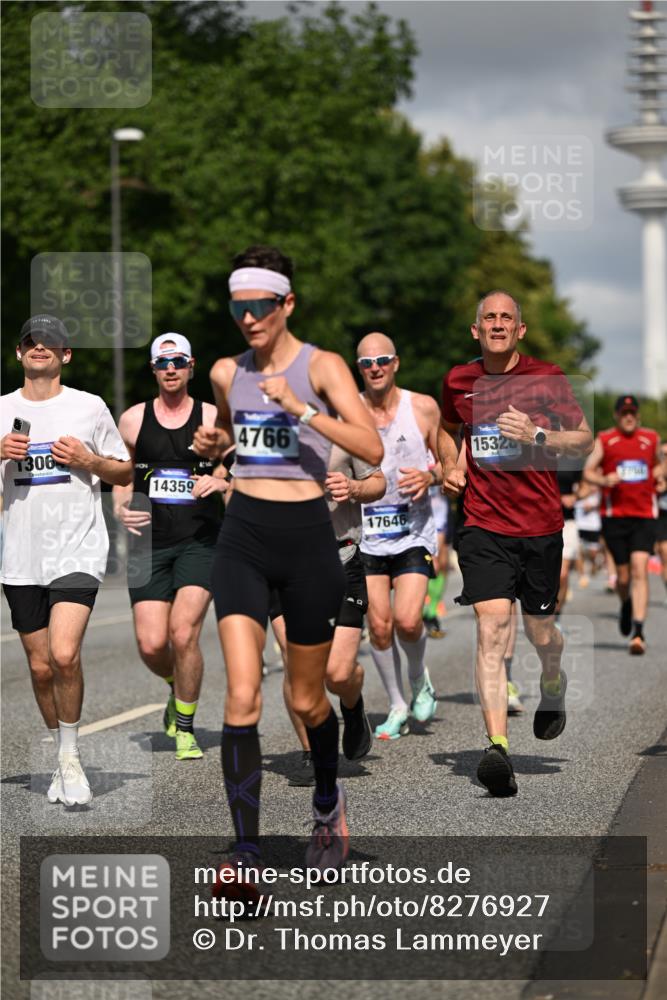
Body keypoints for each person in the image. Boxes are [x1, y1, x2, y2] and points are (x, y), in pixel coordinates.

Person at [192, 245, 382, 896]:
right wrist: (215, 447)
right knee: (241, 694)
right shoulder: (224, 371)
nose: (248, 318)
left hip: (307, 543)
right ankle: (245, 853)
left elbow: (369, 445)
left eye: (260, 307)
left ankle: (326, 804)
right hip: (243, 537)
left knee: (305, 698)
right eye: (238, 307)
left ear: (286, 304)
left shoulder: (321, 365)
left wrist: (300, 409)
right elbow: (226, 437)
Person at [439, 290, 593, 797]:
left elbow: (584, 438)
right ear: (476, 330)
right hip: (483, 525)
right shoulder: (459, 381)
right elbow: (446, 428)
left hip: (540, 526)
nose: (498, 323)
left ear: (520, 330)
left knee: (541, 631)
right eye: (489, 317)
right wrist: (451, 462)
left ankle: (553, 679)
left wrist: (538, 435)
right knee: (492, 626)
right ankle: (497, 747)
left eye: (507, 317)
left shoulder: (547, 378)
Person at [0, 315, 132, 805]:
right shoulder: (2, 410)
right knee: (38, 668)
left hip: (76, 548)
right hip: (21, 554)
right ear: (18, 353)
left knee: (63, 654)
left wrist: (88, 461)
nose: (40, 349)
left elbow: (122, 471)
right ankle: (61, 757)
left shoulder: (88, 407)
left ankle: (72, 758)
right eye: (30, 342)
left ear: (65, 353)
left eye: (49, 343)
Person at [114, 334, 225, 760]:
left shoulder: (213, 417)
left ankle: (185, 728)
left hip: (200, 540)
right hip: (147, 544)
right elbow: (122, 477)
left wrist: (221, 480)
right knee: (150, 644)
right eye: (163, 363)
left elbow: (236, 464)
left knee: (183, 633)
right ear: (154, 369)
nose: (171, 369)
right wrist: (123, 508)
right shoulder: (132, 420)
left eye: (178, 361)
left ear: (191, 365)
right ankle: (173, 686)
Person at [271, 446, 385, 785]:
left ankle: (352, 704)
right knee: (296, 662)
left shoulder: (344, 431)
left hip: (341, 560)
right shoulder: (267, 428)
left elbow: (378, 482)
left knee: (336, 673)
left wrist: (352, 488)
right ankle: (311, 752)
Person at [356, 333, 442, 740]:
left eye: (382, 360)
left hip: (413, 531)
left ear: (396, 363)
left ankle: (418, 679)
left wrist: (431, 475)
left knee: (408, 622)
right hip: (365, 533)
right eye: (366, 363)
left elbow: (452, 465)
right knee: (379, 625)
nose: (375, 367)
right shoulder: (347, 412)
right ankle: (396, 704)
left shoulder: (422, 408)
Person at [583, 395, 663, 655]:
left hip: (643, 515)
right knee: (624, 576)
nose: (628, 416)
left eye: (632, 412)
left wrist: (661, 479)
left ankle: (638, 632)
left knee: (640, 568)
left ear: (637, 415)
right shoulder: (605, 440)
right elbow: (588, 471)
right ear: (617, 416)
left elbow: (660, 467)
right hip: (614, 516)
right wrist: (603, 480)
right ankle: (626, 602)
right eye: (624, 412)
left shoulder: (651, 438)